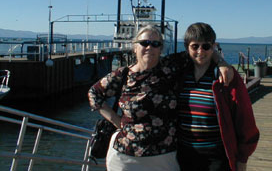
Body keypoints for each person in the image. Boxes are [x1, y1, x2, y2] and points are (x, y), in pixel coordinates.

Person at [88, 24, 233, 171]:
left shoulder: (170, 66)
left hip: (164, 157)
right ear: (135, 47)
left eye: (155, 44)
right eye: (144, 43)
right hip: (125, 157)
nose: (150, 47)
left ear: (161, 48)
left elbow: (201, 48)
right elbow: (94, 93)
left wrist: (222, 63)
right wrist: (117, 121)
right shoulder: (122, 75)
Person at [176, 22, 259, 171]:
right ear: (187, 47)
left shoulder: (226, 77)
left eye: (206, 46)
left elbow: (244, 118)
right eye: (195, 46)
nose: (200, 51)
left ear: (213, 46)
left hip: (216, 156)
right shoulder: (180, 72)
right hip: (184, 153)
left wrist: (242, 158)